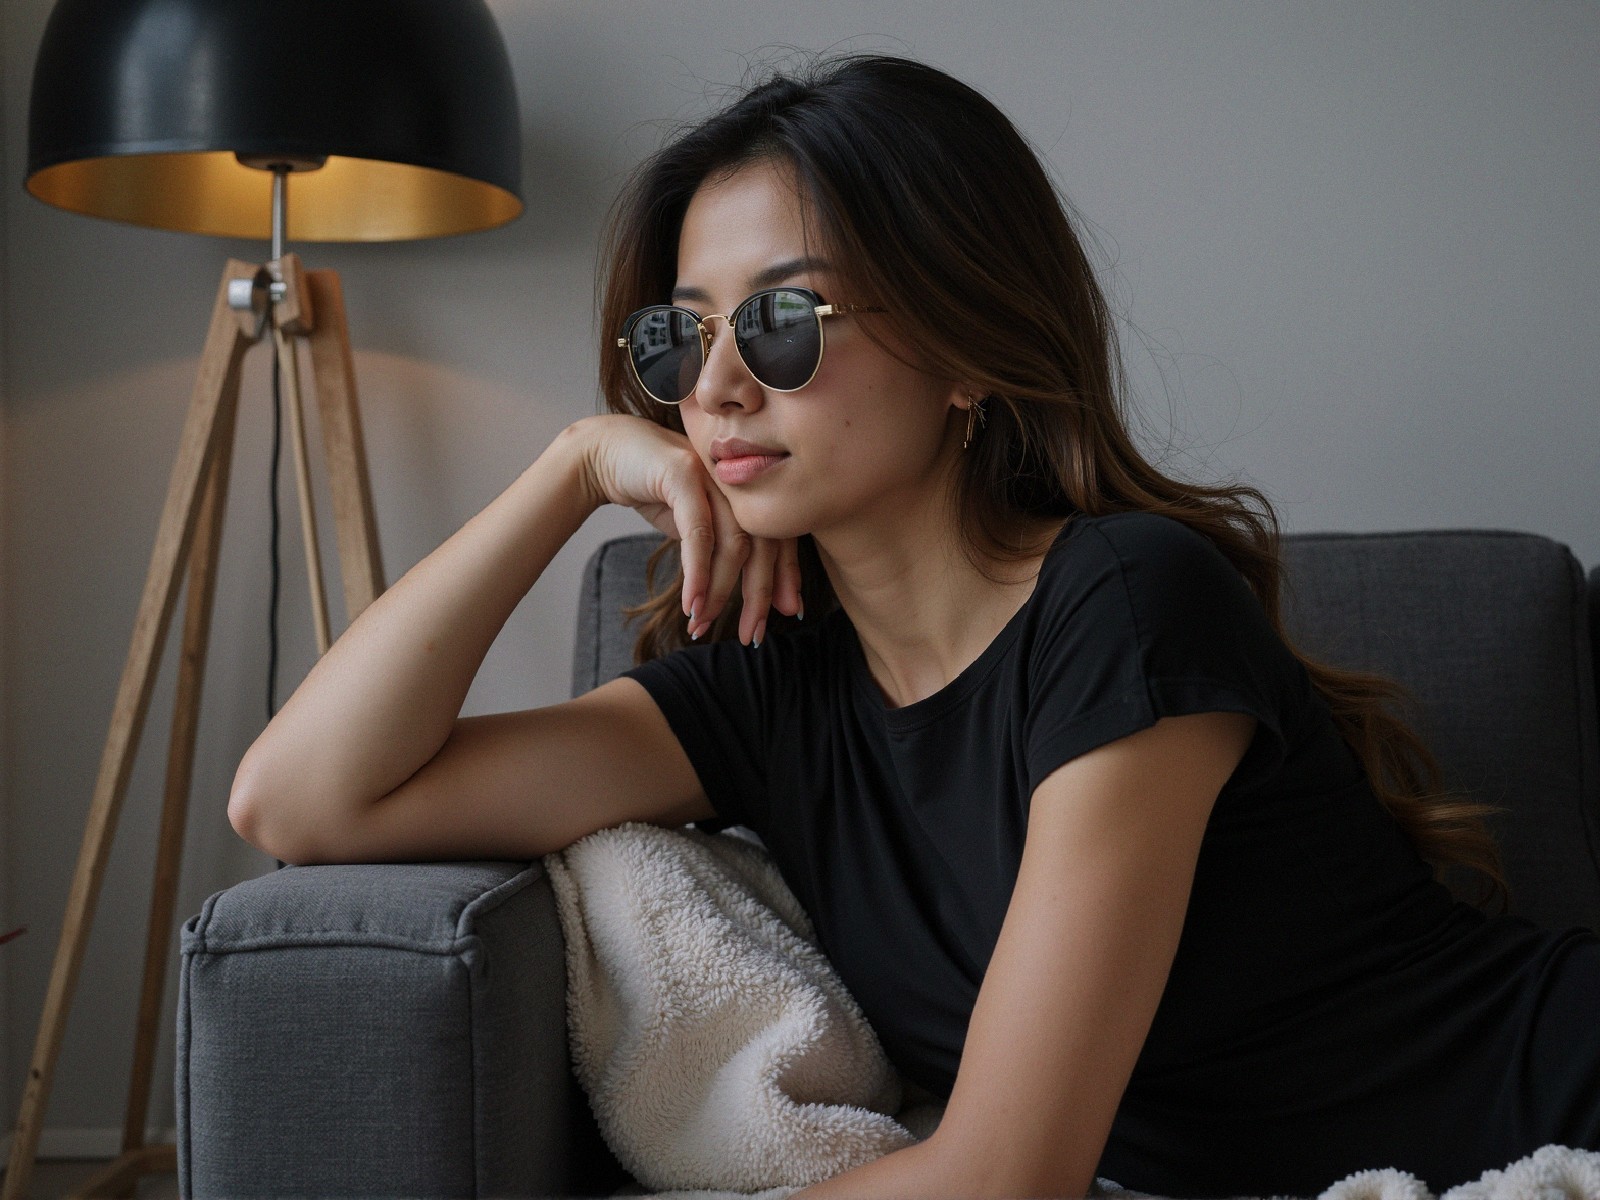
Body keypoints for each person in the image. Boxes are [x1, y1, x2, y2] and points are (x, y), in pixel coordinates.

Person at [228, 54, 1600, 1199]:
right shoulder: (768, 691)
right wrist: (571, 471)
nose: (712, 387)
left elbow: (1004, 1175)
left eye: (779, 322)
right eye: (679, 337)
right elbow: (299, 802)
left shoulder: (1124, 603)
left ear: (958, 351)